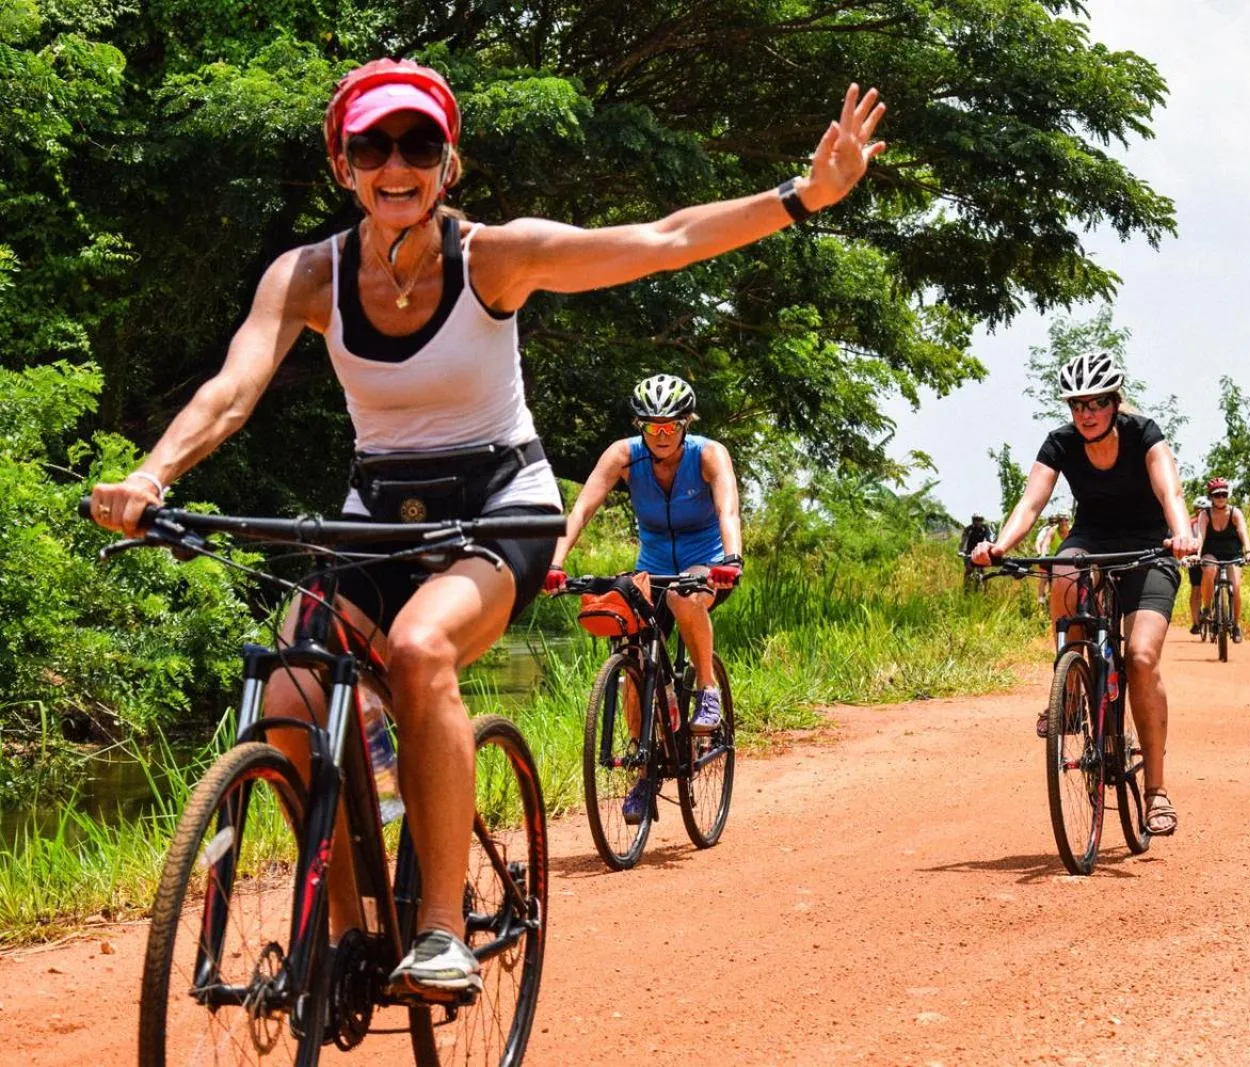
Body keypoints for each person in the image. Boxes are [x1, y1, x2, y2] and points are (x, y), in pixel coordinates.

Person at [87, 58, 886, 995]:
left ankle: (438, 932)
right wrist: (151, 474)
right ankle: (343, 936)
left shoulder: (493, 259)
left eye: (417, 144)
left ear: (448, 162)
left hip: (501, 506)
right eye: (372, 147)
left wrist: (803, 195)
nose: (396, 165)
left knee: (420, 649)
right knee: (292, 698)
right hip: (380, 513)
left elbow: (661, 240)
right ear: (343, 166)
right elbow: (232, 387)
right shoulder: (307, 275)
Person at [968, 352, 1199, 836]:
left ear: (1114, 403)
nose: (1086, 413)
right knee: (1063, 570)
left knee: (1140, 658)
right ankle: (1071, 690)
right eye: (1077, 405)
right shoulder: (1061, 443)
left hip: (1150, 548)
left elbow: (1171, 494)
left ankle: (1156, 792)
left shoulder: (1144, 433)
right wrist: (1000, 546)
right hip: (1091, 540)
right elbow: (1030, 503)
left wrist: (1181, 535)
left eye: (1095, 403)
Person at [547, 374, 743, 822]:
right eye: (652, 426)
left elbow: (727, 509)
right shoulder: (623, 456)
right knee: (631, 649)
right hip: (652, 568)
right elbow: (582, 509)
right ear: (640, 426)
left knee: (683, 598)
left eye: (670, 426)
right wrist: (555, 564)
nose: (661, 435)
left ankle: (707, 690)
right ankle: (643, 769)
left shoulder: (708, 455)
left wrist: (731, 558)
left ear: (686, 423)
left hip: (706, 565)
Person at [1194, 477, 1250, 641]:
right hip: (1211, 553)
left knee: (1236, 587)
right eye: (1217, 495)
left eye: (1224, 494)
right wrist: (1196, 555)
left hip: (1232, 554)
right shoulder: (1205, 515)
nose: (1221, 498)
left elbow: (1243, 532)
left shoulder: (1235, 513)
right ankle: (1207, 608)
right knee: (1209, 570)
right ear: (1211, 497)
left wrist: (1248, 552)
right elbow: (1200, 535)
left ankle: (1236, 625)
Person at [1032, 512, 1073, 605]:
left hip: (1066, 559)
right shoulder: (1052, 530)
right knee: (1045, 577)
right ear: (1058, 521)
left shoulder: (1071, 530)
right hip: (1053, 558)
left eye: (1066, 520)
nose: (1063, 522)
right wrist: (1042, 555)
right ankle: (1041, 599)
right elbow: (1045, 544)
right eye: (1061, 520)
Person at [1187, 495, 1208, 630]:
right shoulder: (1190, 523)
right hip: (1194, 556)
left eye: (1204, 509)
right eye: (1198, 509)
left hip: (1211, 555)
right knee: (1196, 587)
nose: (1200, 512)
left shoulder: (1212, 520)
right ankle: (1196, 622)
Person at [959, 513, 994, 587]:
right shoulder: (968, 529)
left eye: (980, 520)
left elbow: (989, 539)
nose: (978, 521)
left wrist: (991, 549)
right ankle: (966, 587)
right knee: (969, 569)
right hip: (969, 551)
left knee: (983, 571)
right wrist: (961, 551)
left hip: (979, 550)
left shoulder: (985, 528)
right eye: (976, 519)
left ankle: (985, 589)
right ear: (973, 520)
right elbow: (963, 541)